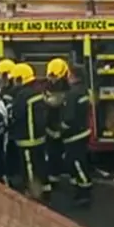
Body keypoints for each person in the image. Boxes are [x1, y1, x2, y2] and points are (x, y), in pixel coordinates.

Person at [7, 62, 48, 199]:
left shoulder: (21, 96)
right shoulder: (36, 92)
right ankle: (45, 189)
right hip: (39, 137)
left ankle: (33, 194)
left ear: (20, 78)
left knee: (29, 167)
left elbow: (15, 115)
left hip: (26, 139)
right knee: (40, 164)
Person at [60, 63, 95, 207]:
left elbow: (69, 118)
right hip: (83, 132)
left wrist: (61, 129)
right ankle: (79, 187)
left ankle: (84, 191)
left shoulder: (72, 94)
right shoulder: (84, 90)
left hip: (73, 135)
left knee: (76, 162)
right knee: (76, 161)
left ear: (74, 76)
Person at [43, 58, 70, 189]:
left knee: (58, 152)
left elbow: (55, 102)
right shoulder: (48, 85)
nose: (53, 79)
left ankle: (56, 176)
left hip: (61, 125)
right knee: (53, 153)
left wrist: (44, 99)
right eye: (51, 76)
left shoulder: (67, 87)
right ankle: (54, 177)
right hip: (51, 126)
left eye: (55, 77)